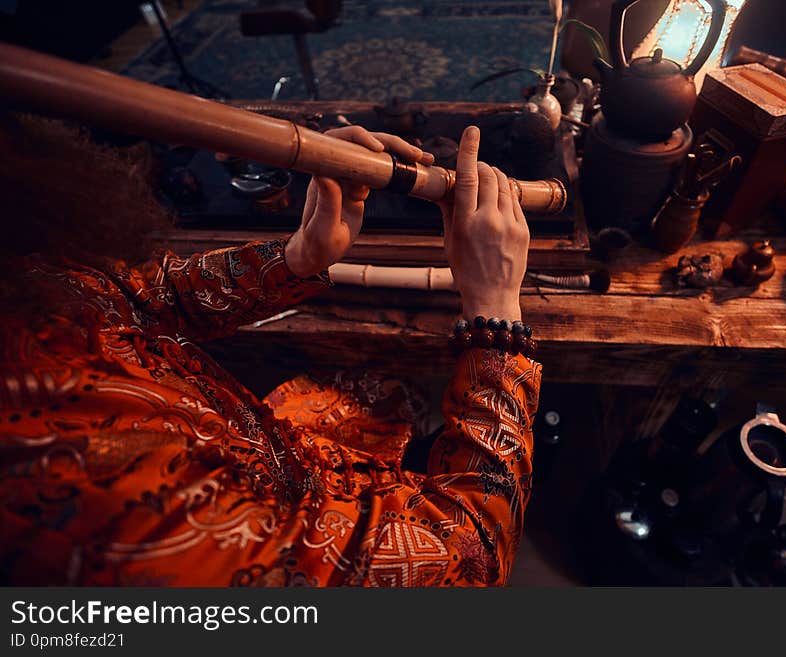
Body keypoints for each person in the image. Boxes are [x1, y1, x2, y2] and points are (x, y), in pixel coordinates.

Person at [0, 114, 541, 586]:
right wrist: (495, 308)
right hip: (295, 539)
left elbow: (138, 299)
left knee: (377, 392)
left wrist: (296, 257)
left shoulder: (22, 287)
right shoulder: (86, 494)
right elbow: (471, 557)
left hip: (276, 458)